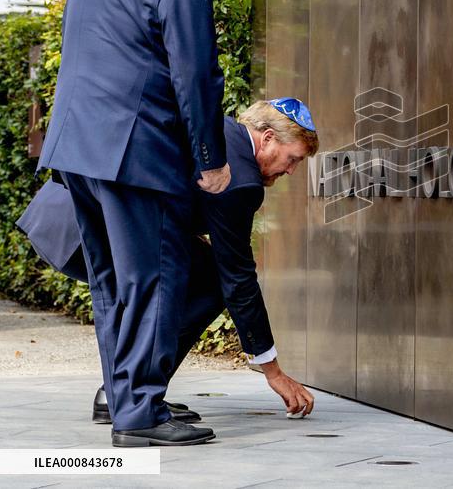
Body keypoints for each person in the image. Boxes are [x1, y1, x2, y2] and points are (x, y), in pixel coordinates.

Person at [37, 0, 231, 447]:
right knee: (152, 276)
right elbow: (195, 76)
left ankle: (125, 400)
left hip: (76, 149)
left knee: (110, 282)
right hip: (134, 151)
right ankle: (140, 414)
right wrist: (211, 161)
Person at [20, 99, 319, 425]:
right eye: (293, 159)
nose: (290, 171)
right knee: (207, 281)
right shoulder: (241, 177)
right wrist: (272, 371)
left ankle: (131, 395)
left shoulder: (214, 129)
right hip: (87, 228)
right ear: (267, 138)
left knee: (199, 273)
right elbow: (237, 277)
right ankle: (131, 395)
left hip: (63, 217)